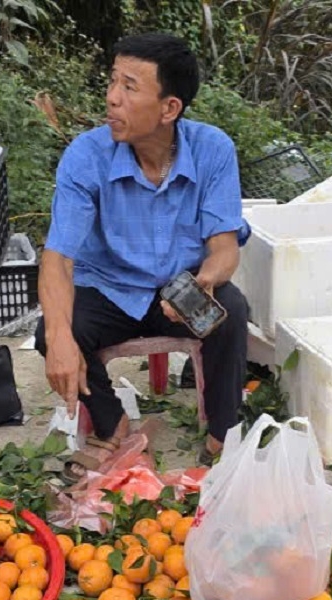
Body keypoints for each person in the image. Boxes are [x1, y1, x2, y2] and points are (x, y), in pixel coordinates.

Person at [35, 32, 250, 468]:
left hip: (178, 290)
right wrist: (59, 338)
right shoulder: (86, 156)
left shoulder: (213, 150)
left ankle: (221, 439)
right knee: (54, 329)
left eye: (129, 87)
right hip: (109, 288)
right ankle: (111, 421)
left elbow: (224, 248)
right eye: (113, 82)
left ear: (170, 108)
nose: (112, 98)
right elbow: (58, 258)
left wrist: (204, 281)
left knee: (230, 312)